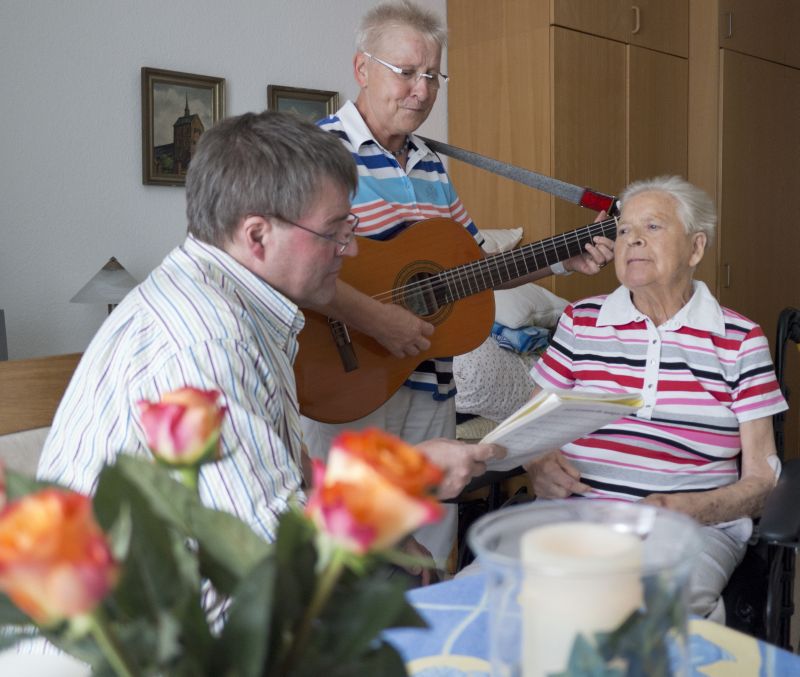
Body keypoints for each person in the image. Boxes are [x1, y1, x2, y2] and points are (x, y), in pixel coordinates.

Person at [36, 111, 503, 547]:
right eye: (335, 232)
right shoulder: (209, 344)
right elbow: (269, 549)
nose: (351, 250)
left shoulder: (237, 305)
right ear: (257, 235)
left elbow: (279, 479)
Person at [302, 0, 615, 568]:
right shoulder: (316, 154)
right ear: (361, 68)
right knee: (347, 559)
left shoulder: (429, 165)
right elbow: (292, 271)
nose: (421, 90)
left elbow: (473, 269)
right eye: (405, 72)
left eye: (432, 76)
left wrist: (564, 260)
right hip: (346, 382)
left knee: (427, 556)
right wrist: (378, 318)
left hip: (429, 386)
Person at [525, 175, 787, 622]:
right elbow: (531, 429)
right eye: (624, 230)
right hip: (576, 516)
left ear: (696, 249)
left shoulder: (740, 339)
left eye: (653, 227)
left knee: (650, 617)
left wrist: (691, 508)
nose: (633, 241)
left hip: (688, 527)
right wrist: (538, 464)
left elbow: (763, 479)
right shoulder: (580, 321)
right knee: (498, 602)